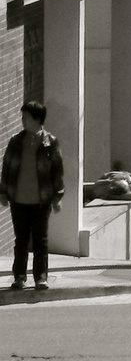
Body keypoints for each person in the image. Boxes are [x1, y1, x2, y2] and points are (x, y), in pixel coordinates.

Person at [0, 101, 65, 290]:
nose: (23, 121)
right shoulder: (16, 141)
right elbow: (7, 167)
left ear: (37, 119)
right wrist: (3, 192)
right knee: (21, 239)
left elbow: (57, 171)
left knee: (40, 240)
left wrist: (57, 198)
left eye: (26, 117)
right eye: (22, 117)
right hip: (18, 199)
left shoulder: (50, 143)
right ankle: (19, 276)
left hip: (41, 200)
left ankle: (41, 277)